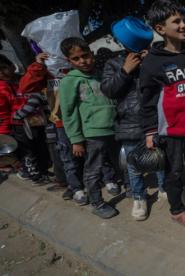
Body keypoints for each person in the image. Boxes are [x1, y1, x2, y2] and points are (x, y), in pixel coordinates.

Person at [140, 0, 185, 227]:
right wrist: (150, 131)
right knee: (175, 173)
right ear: (160, 29)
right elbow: (147, 100)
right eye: (176, 21)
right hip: (171, 131)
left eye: (184, 19)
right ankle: (177, 210)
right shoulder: (151, 62)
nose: (184, 25)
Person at [59, 37, 119, 219]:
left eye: (85, 56)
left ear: (91, 54)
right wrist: (76, 140)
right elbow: (68, 113)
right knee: (93, 169)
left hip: (113, 128)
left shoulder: (102, 75)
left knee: (118, 163)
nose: (82, 61)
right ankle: (97, 202)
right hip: (92, 133)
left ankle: (121, 186)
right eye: (76, 59)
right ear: (69, 61)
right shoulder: (70, 81)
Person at [101, 33, 150, 221]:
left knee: (160, 160)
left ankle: (163, 189)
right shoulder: (114, 63)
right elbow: (109, 91)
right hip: (129, 123)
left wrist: (149, 62)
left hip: (153, 120)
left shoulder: (152, 58)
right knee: (134, 164)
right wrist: (125, 70)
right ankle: (139, 197)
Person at [11, 53, 52, 185]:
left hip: (37, 121)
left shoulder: (17, 81)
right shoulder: (21, 84)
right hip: (21, 123)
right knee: (29, 151)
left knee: (39, 147)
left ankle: (42, 171)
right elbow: (28, 89)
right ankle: (35, 175)